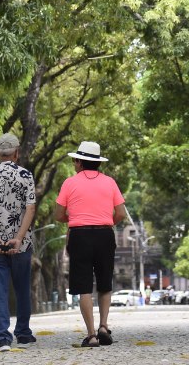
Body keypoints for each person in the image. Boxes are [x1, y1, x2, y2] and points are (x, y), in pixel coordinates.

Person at [54, 140, 126, 348]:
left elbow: (58, 214)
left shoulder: (69, 183)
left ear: (80, 162)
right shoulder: (110, 182)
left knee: (84, 286)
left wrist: (77, 218)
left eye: (75, 160)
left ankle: (92, 335)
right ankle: (104, 326)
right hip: (105, 235)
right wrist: (104, 221)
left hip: (80, 235)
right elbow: (120, 212)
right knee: (105, 283)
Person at [0, 132, 38, 352]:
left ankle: (3, 338)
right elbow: (30, 208)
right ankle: (23, 333)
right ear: (16, 153)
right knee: (22, 288)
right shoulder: (26, 176)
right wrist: (19, 238)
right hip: (20, 243)